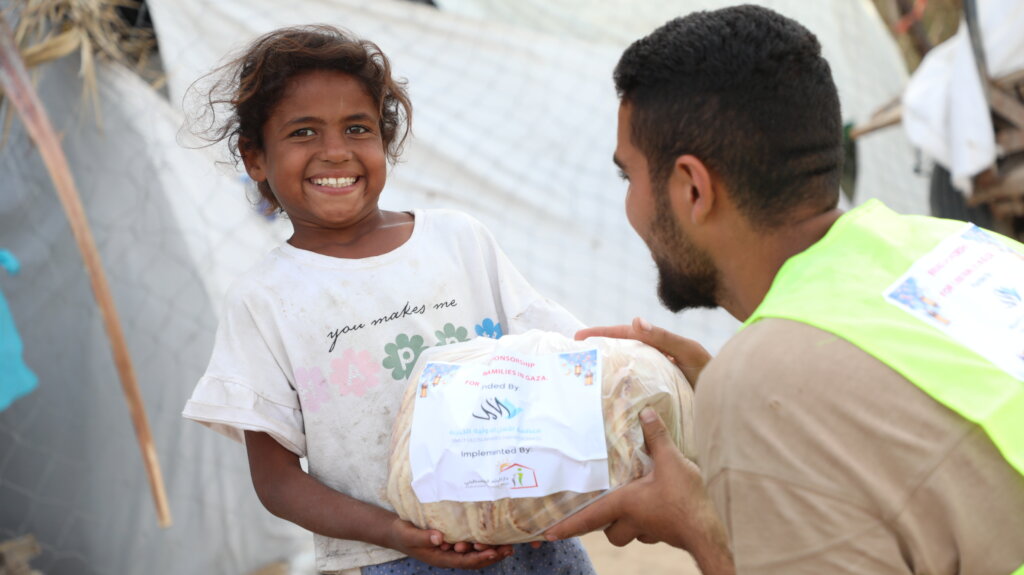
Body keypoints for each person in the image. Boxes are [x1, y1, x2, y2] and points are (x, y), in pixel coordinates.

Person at [545, 5, 1024, 575]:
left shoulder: (762, 382)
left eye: (629, 177)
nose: (630, 206)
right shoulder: (959, 246)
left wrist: (694, 523)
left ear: (693, 189)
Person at [181, 25, 597, 575]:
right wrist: (393, 532)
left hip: (531, 540)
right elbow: (277, 481)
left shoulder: (458, 241)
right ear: (254, 158)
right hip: (391, 557)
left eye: (357, 128)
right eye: (303, 132)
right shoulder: (264, 301)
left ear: (384, 140)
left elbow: (561, 357)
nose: (335, 152)